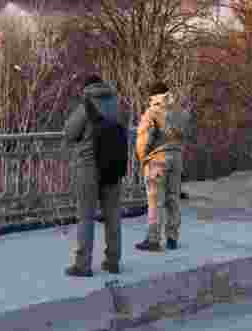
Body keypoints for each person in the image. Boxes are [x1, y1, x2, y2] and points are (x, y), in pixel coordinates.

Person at [62, 74, 123, 277]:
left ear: (87, 88)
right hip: (113, 164)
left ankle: (83, 264)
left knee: (86, 216)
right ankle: (113, 261)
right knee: (113, 214)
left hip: (89, 166)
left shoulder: (87, 104)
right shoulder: (116, 103)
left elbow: (70, 132)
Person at [135, 81, 190, 251]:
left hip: (158, 160)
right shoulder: (180, 112)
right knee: (173, 198)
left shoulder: (152, 112)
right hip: (177, 158)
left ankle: (153, 239)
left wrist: (143, 158)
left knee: (155, 200)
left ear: (153, 96)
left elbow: (145, 139)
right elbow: (185, 134)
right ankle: (172, 238)